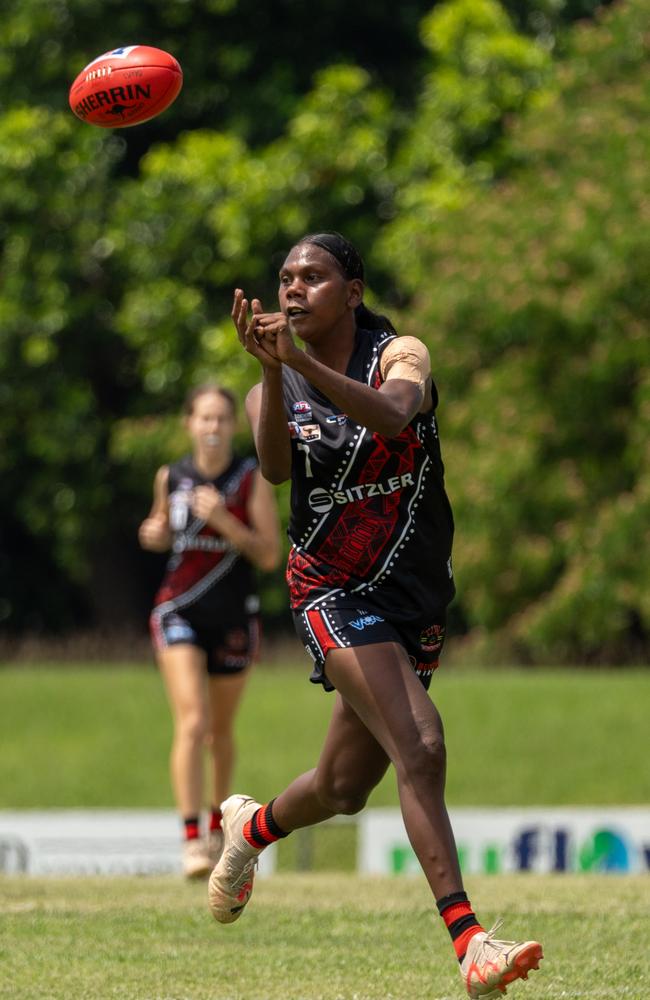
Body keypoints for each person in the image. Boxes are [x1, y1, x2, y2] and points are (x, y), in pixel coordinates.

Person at [208, 232, 544, 996]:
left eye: (315, 277)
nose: (295, 289)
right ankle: (471, 943)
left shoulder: (402, 354)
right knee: (420, 744)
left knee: (342, 786)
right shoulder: (277, 384)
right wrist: (272, 371)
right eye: (286, 278)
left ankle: (251, 827)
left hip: (413, 596)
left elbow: (395, 417)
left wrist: (298, 362)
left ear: (352, 292)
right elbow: (275, 467)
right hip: (329, 588)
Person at [138, 383, 281, 878]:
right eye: (205, 418)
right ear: (189, 424)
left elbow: (268, 554)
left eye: (222, 419)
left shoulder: (249, 478)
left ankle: (221, 827)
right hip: (178, 608)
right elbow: (158, 529)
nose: (213, 428)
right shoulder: (171, 475)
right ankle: (192, 840)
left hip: (233, 616)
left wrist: (223, 519)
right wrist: (152, 533)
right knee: (193, 722)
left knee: (219, 732)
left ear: (233, 426)